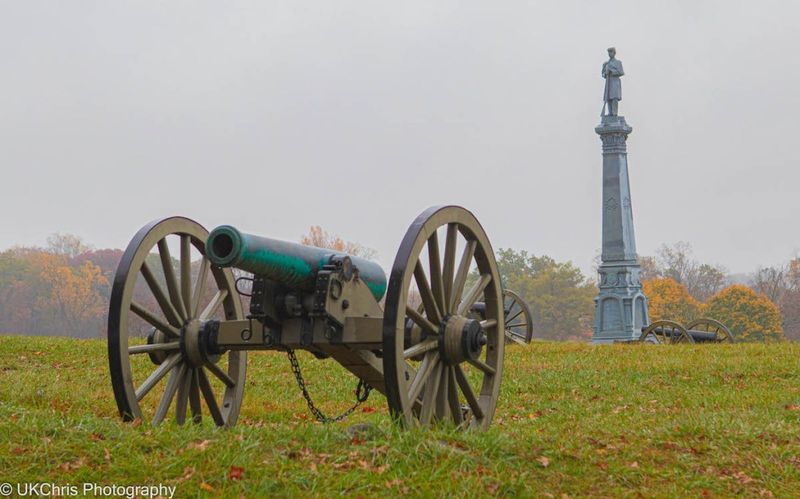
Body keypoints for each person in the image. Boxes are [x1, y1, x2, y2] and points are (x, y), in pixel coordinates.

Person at [602, 47, 624, 116]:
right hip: (608, 83)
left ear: (614, 53)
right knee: (608, 98)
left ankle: (614, 113)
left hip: (615, 83)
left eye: (611, 52)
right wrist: (605, 73)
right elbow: (602, 74)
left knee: (614, 98)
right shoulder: (606, 64)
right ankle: (610, 113)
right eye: (609, 52)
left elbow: (621, 72)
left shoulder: (618, 63)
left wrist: (611, 71)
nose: (609, 53)